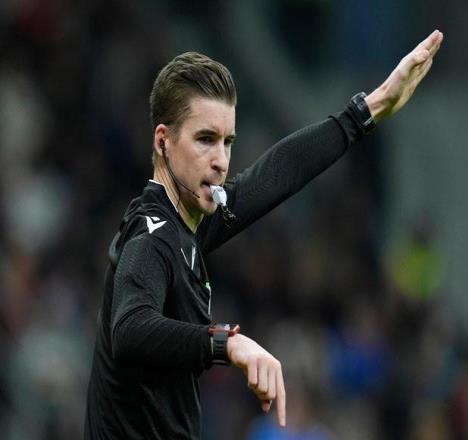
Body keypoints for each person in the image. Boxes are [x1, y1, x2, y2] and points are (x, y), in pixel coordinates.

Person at [84, 30, 443, 440]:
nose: (221, 161)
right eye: (205, 140)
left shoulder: (187, 226)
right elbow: (130, 329)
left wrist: (372, 107)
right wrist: (227, 343)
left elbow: (274, 176)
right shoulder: (152, 236)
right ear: (163, 142)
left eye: (227, 142)